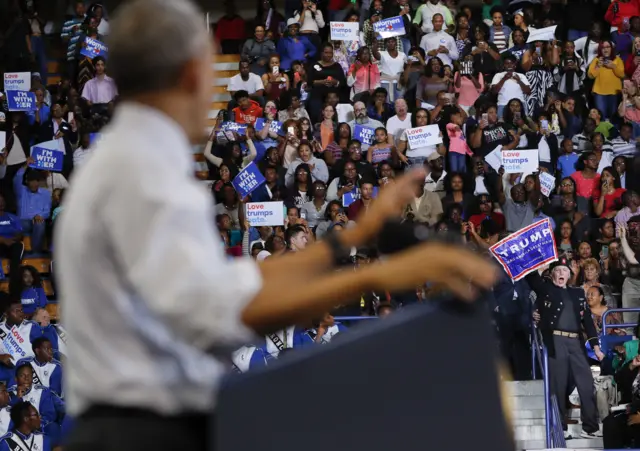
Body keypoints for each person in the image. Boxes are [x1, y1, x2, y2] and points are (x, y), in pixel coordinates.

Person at [57, 3, 499, 451]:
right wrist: (376, 275)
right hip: (139, 434)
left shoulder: (127, 162)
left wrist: (352, 238)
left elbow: (236, 286)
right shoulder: (145, 175)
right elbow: (230, 313)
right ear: (193, 73)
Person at [528, 257, 603, 440]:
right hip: (555, 340)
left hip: (576, 342)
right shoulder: (546, 289)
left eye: (565, 270)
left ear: (570, 275)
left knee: (586, 384)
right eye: (558, 270)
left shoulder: (578, 293)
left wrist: (596, 346)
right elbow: (533, 281)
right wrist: (539, 269)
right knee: (558, 385)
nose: (561, 273)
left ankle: (590, 427)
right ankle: (559, 427)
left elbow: (587, 322)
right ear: (552, 274)